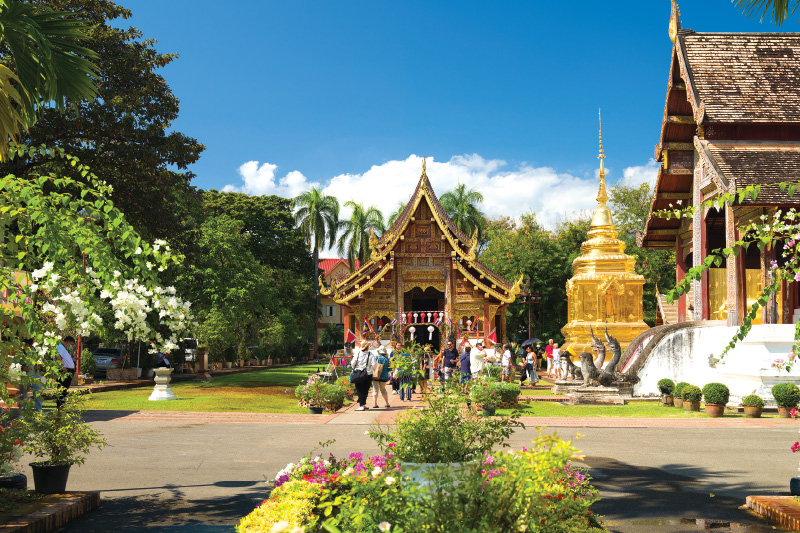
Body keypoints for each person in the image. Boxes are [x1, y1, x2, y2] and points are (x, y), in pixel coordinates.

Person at [18, 338, 42, 412]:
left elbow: (41, 362)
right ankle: (22, 412)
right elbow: (15, 364)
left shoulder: (37, 352)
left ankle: (39, 411)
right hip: (25, 377)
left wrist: (38, 366)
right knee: (22, 395)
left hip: (36, 377)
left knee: (37, 395)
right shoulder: (21, 353)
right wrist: (22, 367)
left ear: (28, 344)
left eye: (24, 345)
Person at [351, 341, 374, 411]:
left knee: (359, 389)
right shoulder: (371, 355)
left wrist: (356, 367)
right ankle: (363, 404)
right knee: (366, 389)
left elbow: (353, 363)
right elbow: (374, 365)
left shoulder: (357, 354)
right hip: (368, 374)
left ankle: (362, 405)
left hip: (358, 373)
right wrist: (371, 369)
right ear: (367, 347)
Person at [55, 336, 76, 409]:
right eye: (70, 344)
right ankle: (60, 407)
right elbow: (57, 357)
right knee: (62, 389)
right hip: (64, 371)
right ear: (67, 342)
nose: (70, 346)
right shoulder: (61, 347)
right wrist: (61, 367)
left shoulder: (64, 348)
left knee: (64, 389)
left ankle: (61, 406)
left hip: (68, 370)